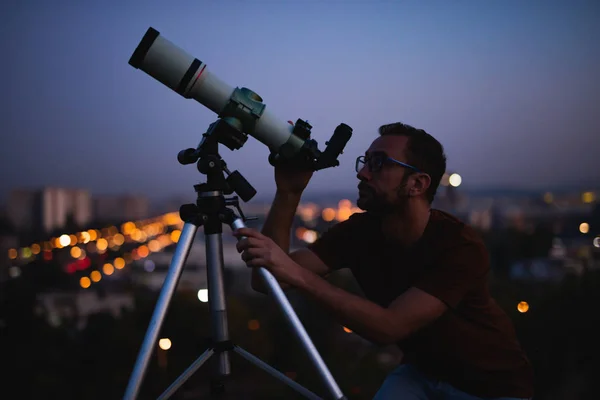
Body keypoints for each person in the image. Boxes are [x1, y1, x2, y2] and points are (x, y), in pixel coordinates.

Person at [233, 122, 534, 399]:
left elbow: (389, 328)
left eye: (379, 164)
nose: (362, 173)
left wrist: (297, 275)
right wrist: (288, 193)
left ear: (417, 184)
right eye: (365, 162)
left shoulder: (459, 246)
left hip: (492, 387)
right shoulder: (360, 231)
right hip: (421, 373)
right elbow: (266, 280)